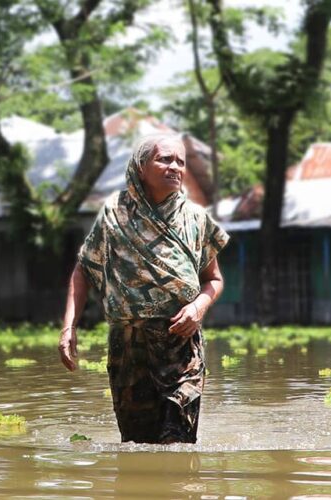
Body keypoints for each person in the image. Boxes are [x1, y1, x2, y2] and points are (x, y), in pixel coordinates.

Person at [59, 134, 229, 444]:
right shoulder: (114, 214)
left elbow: (213, 279)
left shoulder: (196, 219)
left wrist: (197, 308)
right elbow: (84, 269)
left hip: (180, 347)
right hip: (127, 349)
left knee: (177, 442)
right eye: (165, 159)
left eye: (180, 161)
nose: (175, 167)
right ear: (140, 166)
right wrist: (68, 326)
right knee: (136, 443)